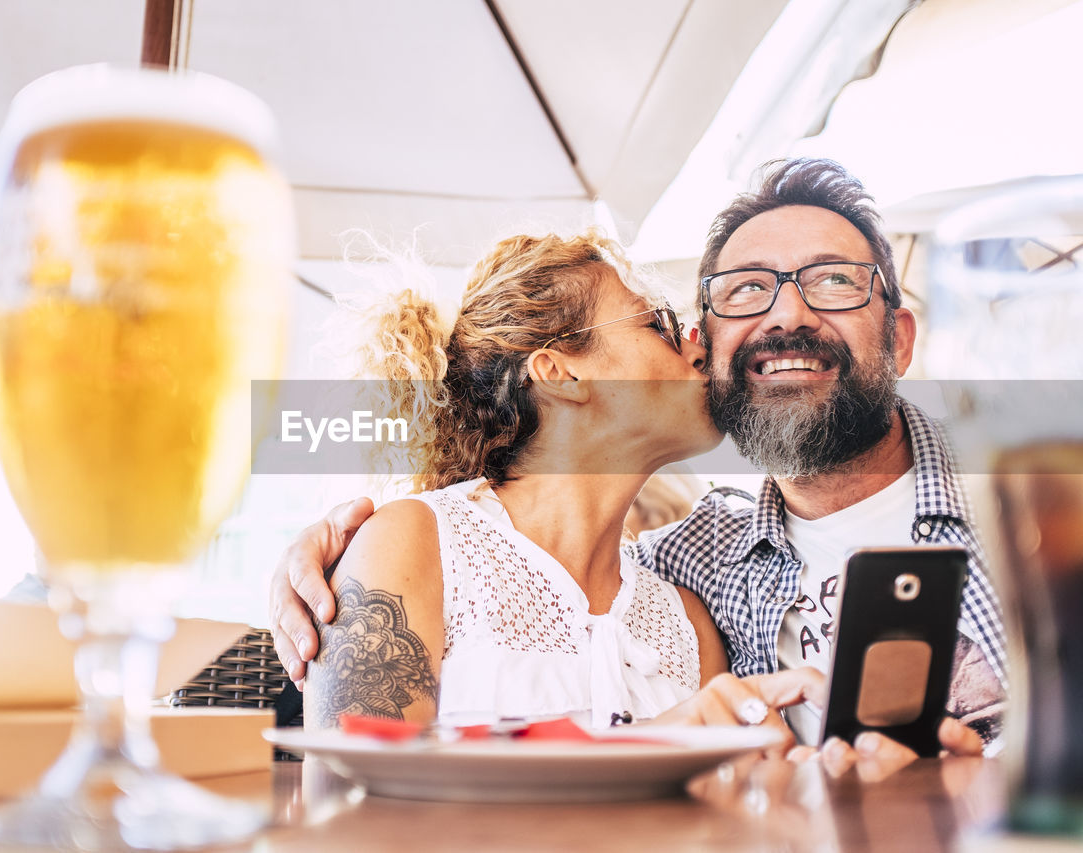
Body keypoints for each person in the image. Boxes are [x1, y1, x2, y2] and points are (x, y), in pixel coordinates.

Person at [274, 159, 996, 761]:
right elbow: (347, 811)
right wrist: (334, 558)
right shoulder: (699, 565)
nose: (785, 317)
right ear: (560, 371)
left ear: (901, 341)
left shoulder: (1029, 511)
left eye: (834, 281)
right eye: (745, 291)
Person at [301, 229, 822, 740]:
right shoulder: (414, 542)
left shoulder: (688, 622)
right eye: (659, 326)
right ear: (559, 373)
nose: (698, 350)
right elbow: (347, 802)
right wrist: (650, 748)